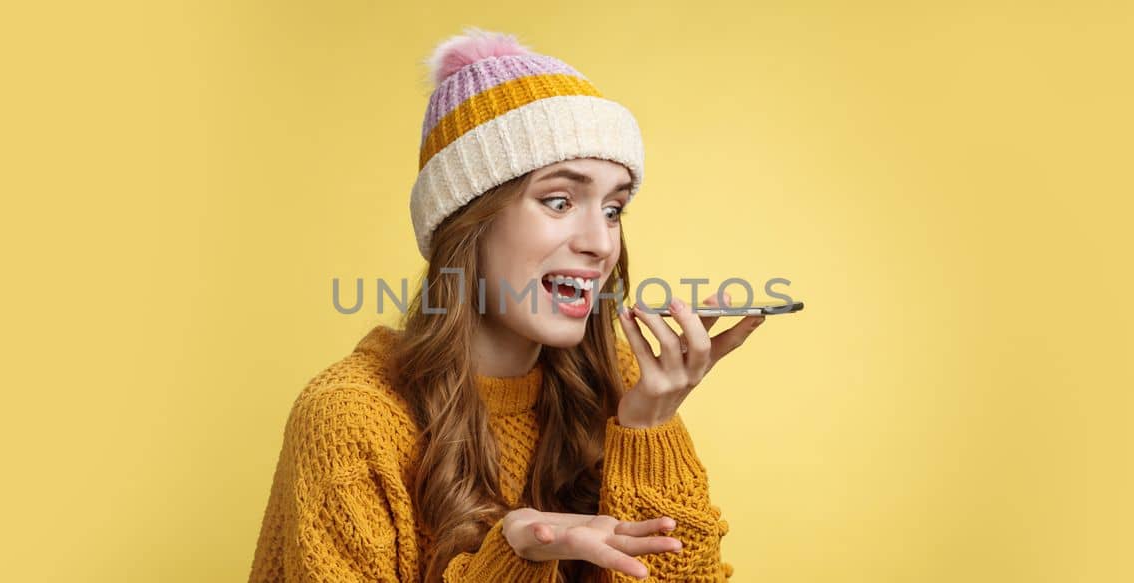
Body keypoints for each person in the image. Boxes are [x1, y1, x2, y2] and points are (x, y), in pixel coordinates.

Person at [247, 27, 766, 582]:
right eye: (560, 200)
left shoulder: (623, 383)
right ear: (468, 223)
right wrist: (512, 559)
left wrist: (648, 427)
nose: (600, 242)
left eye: (613, 209)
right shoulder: (353, 420)